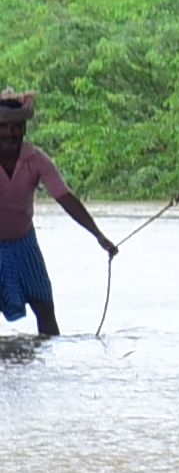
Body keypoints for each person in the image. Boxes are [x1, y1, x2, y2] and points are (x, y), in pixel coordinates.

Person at [0, 91, 114, 341]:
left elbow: (65, 198)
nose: (10, 133)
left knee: (45, 308)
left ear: (24, 129)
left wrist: (99, 236)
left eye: (16, 127)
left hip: (24, 244)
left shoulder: (36, 160)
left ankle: (49, 364)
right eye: (4, 127)